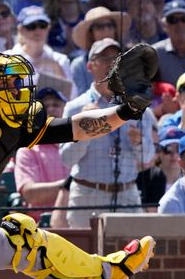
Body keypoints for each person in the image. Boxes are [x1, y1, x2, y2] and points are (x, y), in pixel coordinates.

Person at [0, 46, 155, 279]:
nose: (16, 91)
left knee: (25, 239)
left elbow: (77, 128)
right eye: (6, 84)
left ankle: (109, 273)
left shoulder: (13, 125)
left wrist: (126, 111)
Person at [61, 39, 156, 228]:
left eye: (117, 58)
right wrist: (85, 131)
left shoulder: (136, 105)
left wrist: (139, 142)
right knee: (85, 256)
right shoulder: (76, 108)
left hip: (127, 194)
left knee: (131, 256)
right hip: (88, 195)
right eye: (104, 58)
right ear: (90, 66)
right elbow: (66, 159)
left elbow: (149, 157)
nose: (112, 63)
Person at [13, 87, 71, 221]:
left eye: (56, 105)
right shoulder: (28, 150)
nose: (51, 109)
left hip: (78, 218)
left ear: (65, 109)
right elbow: (30, 194)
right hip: (41, 227)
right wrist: (71, 184)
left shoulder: (79, 145)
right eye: (45, 105)